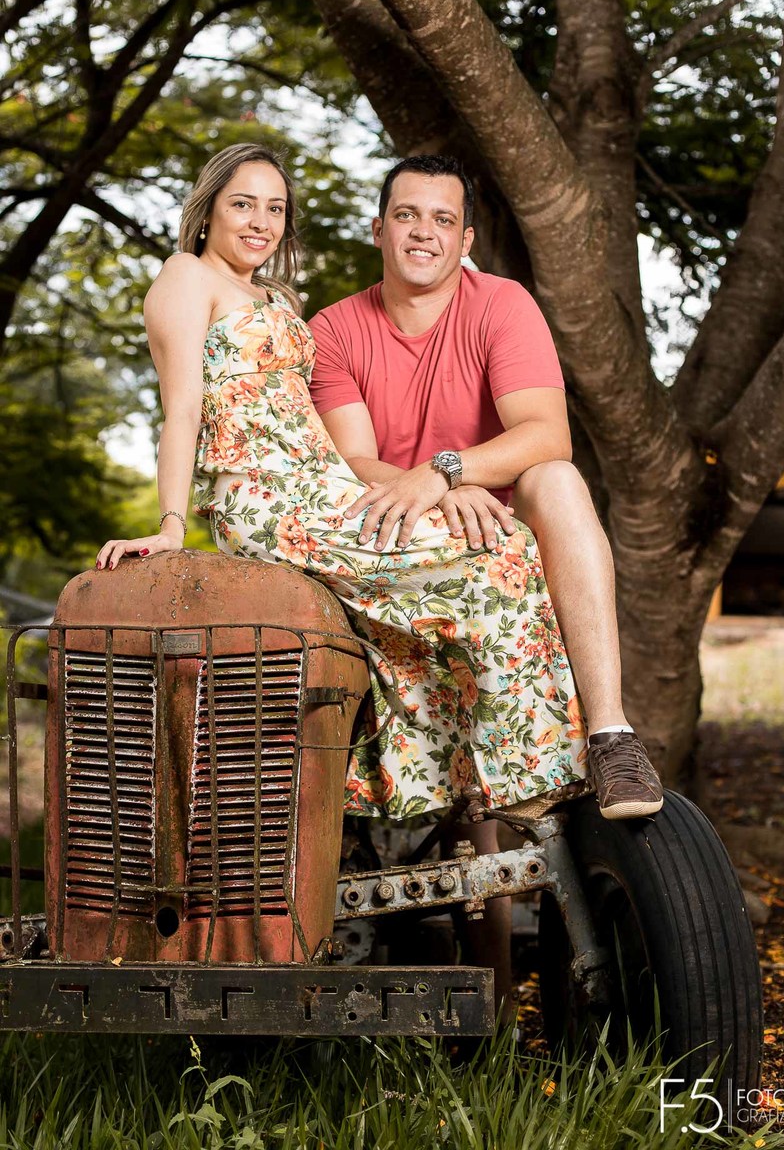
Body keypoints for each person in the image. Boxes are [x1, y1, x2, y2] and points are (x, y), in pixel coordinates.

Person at [95, 143, 591, 827]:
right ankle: (535, 780)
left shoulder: (276, 297)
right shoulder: (186, 277)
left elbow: (334, 435)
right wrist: (173, 524)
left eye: (275, 208)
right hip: (269, 496)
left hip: (325, 485)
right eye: (242, 203)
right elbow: (181, 408)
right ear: (207, 210)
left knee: (476, 572)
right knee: (498, 561)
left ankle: (439, 792)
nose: (260, 221)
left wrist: (443, 488)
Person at [307, 154, 663, 823]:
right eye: (406, 214)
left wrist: (448, 472)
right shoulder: (333, 329)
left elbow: (547, 433)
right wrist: (437, 492)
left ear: (465, 241)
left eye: (443, 219)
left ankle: (612, 736)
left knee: (557, 478)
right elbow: (352, 458)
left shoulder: (502, 304)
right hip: (394, 536)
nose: (423, 232)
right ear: (379, 227)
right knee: (471, 840)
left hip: (495, 519)